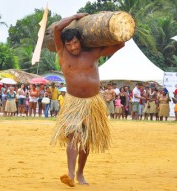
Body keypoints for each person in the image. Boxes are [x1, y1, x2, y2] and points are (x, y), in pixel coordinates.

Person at [50, 13, 124, 187]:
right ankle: (70, 174)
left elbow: (120, 44)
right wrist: (75, 16)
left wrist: (113, 28)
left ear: (80, 41)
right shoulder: (62, 52)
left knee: (86, 142)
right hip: (73, 103)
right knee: (73, 137)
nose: (73, 47)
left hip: (92, 103)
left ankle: (80, 173)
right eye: (69, 44)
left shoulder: (93, 53)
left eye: (75, 43)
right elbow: (57, 28)